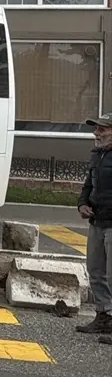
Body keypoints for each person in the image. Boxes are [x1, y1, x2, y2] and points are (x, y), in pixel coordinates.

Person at [77, 113, 112, 335]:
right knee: (96, 270)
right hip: (97, 220)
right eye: (96, 128)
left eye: (102, 129)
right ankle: (104, 315)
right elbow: (88, 184)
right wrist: (82, 204)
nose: (96, 133)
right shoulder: (97, 155)